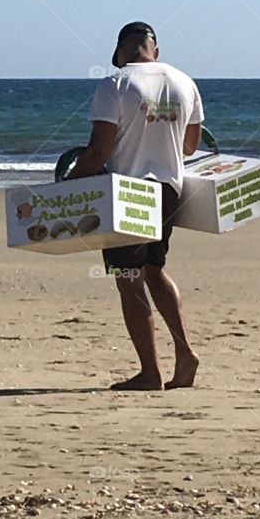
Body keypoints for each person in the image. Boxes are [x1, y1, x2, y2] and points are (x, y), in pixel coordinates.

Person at [72, 22, 204, 391]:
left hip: (127, 192)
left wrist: (69, 183)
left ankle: (150, 373)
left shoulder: (114, 84)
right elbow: (189, 146)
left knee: (128, 280)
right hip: (168, 189)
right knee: (154, 270)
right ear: (154, 50)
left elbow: (99, 151)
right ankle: (184, 354)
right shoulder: (184, 81)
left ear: (120, 52)